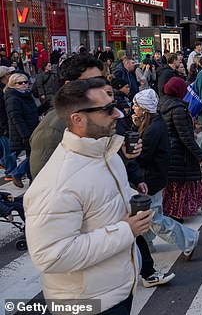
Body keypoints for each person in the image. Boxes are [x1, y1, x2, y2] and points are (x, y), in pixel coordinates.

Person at [24, 79, 155, 313]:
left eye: (113, 105)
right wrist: (126, 230)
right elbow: (51, 256)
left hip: (117, 290)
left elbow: (105, 201)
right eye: (106, 109)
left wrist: (133, 201)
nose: (117, 114)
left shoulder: (107, 153)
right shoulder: (57, 182)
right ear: (77, 119)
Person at [131, 89, 199, 261]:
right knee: (146, 216)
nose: (133, 109)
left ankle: (188, 239)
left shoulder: (153, 128)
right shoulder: (155, 121)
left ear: (144, 109)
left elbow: (143, 155)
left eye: (136, 106)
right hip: (155, 176)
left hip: (150, 178)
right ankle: (146, 247)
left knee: (154, 219)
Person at [159, 77, 202, 221]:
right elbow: (185, 137)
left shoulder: (163, 104)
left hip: (171, 150)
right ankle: (177, 213)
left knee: (187, 182)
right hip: (181, 153)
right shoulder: (178, 109)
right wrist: (200, 156)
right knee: (183, 183)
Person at [5, 73, 38, 188]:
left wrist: (42, 108)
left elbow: (31, 113)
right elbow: (15, 118)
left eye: (26, 82)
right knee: (33, 155)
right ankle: (17, 173)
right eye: (20, 83)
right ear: (13, 84)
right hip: (22, 132)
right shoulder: (13, 98)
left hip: (32, 129)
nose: (24, 84)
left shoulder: (27, 95)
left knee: (32, 155)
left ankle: (31, 180)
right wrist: (25, 135)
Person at [0, 66, 16, 179]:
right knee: (9, 148)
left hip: (3, 123)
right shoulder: (3, 91)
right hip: (4, 124)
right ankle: (10, 172)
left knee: (5, 148)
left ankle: (5, 165)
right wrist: (5, 126)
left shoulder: (5, 89)